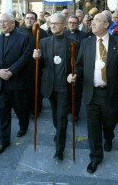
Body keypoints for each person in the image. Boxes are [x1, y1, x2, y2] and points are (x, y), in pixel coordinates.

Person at [68, 13, 118, 174]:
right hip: (91, 92)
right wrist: (75, 74)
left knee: (109, 123)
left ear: (106, 24)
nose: (92, 23)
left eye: (96, 21)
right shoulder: (86, 43)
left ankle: (109, 137)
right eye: (92, 21)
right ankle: (95, 156)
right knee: (93, 126)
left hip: (110, 93)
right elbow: (79, 65)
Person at [33, 13, 78, 160]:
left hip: (64, 87)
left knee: (62, 116)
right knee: (55, 116)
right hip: (49, 86)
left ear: (64, 25)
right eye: (51, 23)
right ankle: (59, 132)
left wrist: (74, 74)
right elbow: (41, 65)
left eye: (56, 23)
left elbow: (78, 64)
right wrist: (37, 58)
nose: (52, 25)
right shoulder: (44, 42)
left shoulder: (73, 42)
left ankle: (60, 148)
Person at [0, 13, 31, 155]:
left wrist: (11, 71)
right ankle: (3, 141)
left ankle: (24, 125)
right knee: (2, 113)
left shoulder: (24, 38)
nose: (2, 24)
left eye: (5, 22)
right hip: (0, 83)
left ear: (13, 23)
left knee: (21, 110)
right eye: (0, 22)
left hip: (17, 82)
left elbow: (26, 56)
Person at [18, 11, 48, 117]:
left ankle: (35, 110)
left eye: (32, 18)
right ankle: (24, 109)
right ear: (24, 20)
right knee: (23, 89)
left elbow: (46, 50)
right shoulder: (19, 32)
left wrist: (41, 58)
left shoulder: (42, 33)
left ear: (35, 20)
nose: (29, 20)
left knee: (36, 89)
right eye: (27, 18)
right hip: (22, 66)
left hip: (36, 66)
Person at [65, 15, 88, 120]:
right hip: (65, 67)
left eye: (74, 22)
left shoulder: (84, 35)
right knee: (66, 91)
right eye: (70, 22)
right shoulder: (64, 34)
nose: (72, 24)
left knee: (76, 92)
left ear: (78, 24)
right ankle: (68, 109)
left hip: (78, 66)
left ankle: (75, 113)